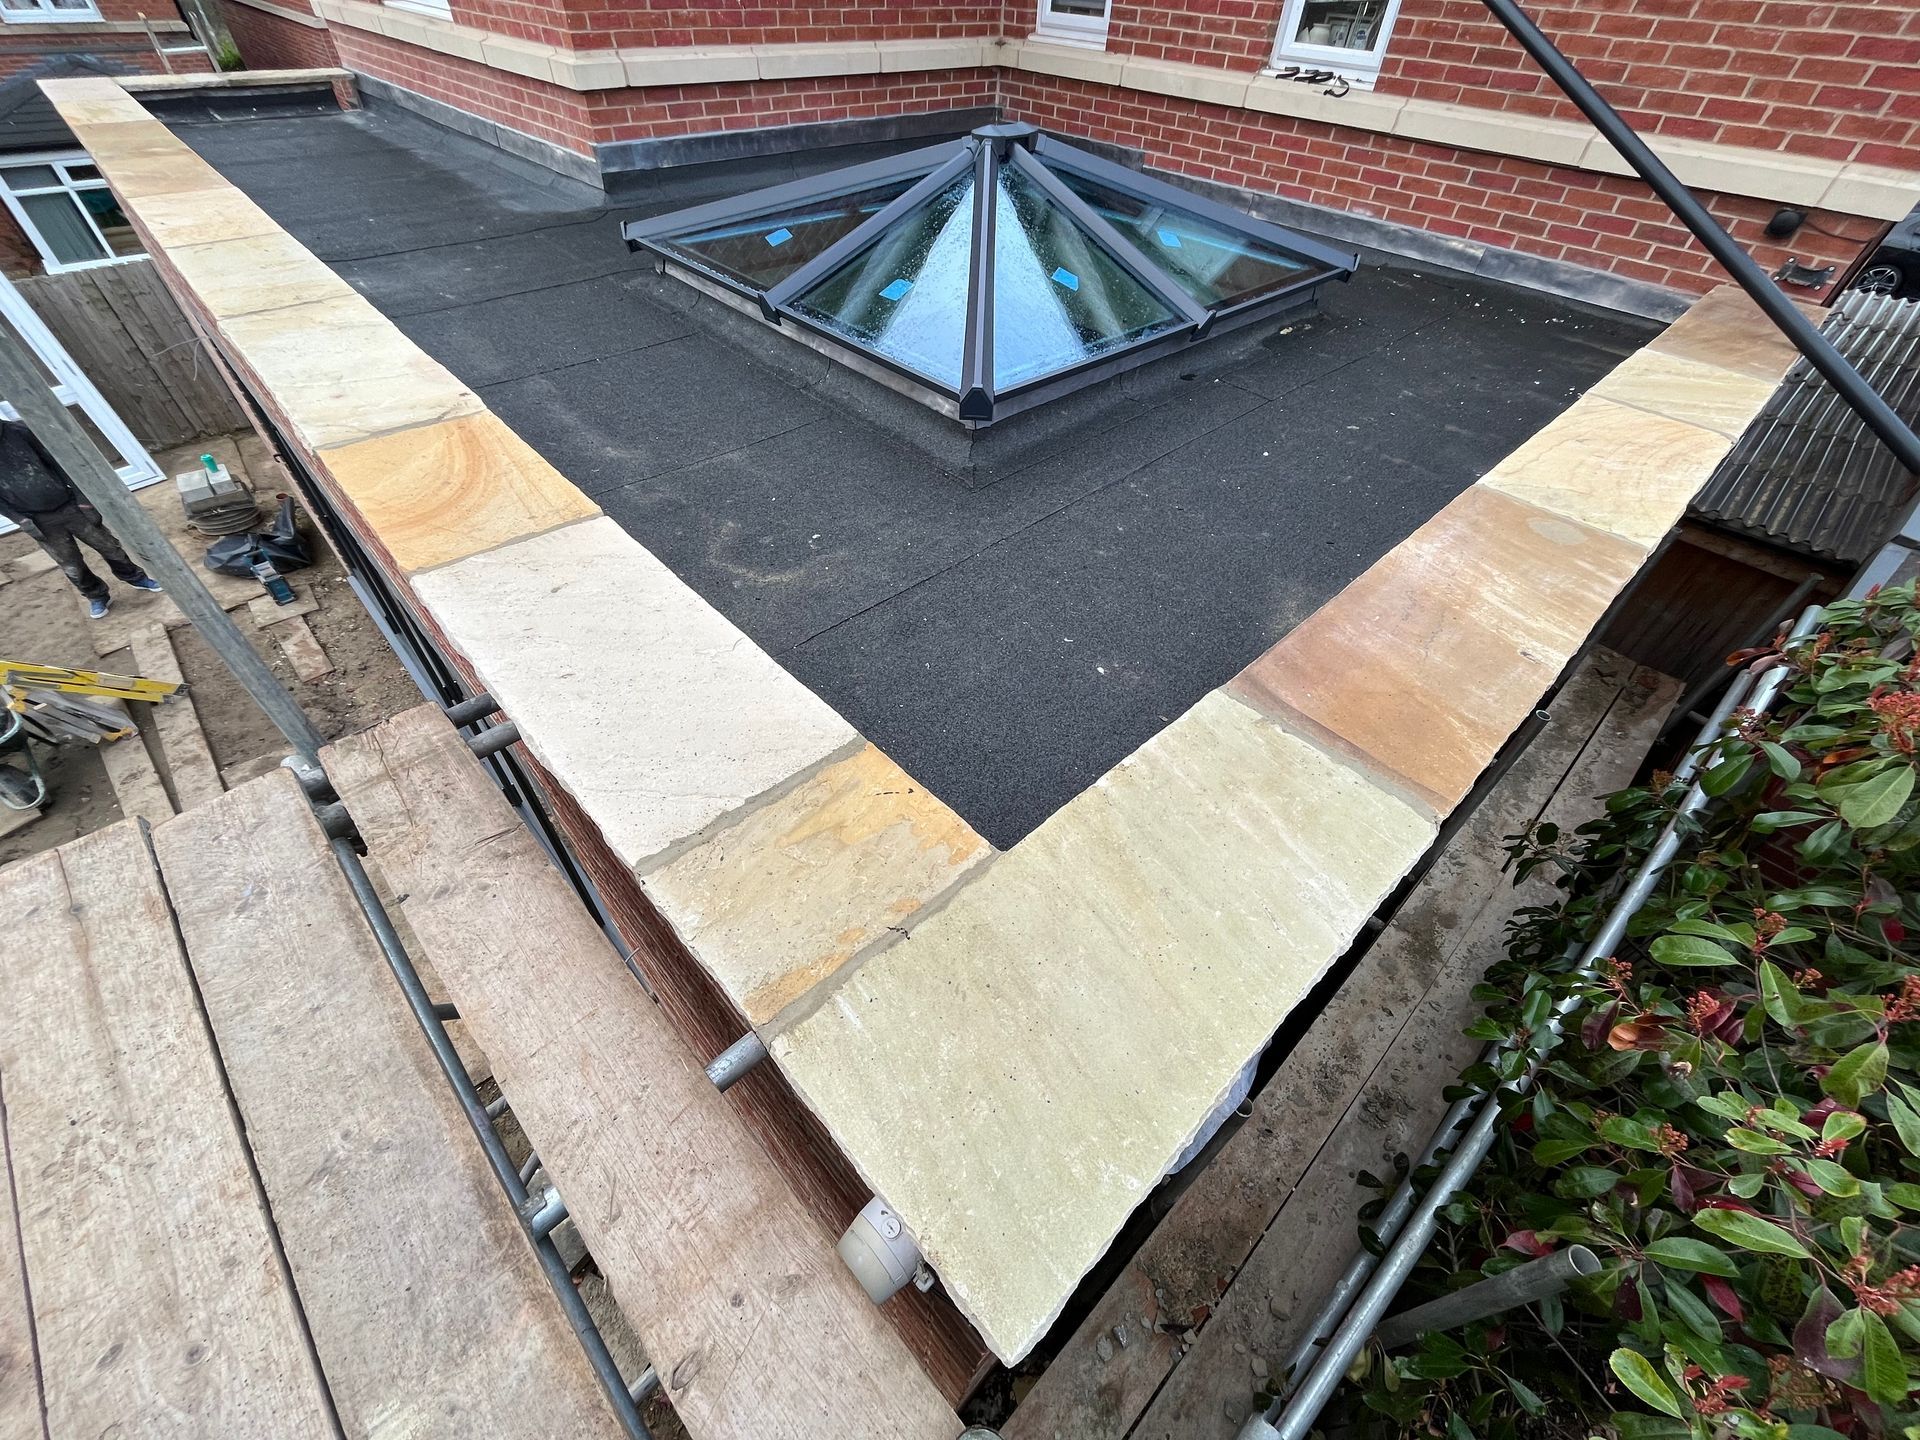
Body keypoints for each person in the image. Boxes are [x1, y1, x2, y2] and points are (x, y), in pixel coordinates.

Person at [0, 416, 160, 619]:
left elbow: (59, 463)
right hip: (38, 520)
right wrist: (19, 519)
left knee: (108, 546)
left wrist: (82, 498)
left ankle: (136, 578)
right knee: (70, 564)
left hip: (69, 505)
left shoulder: (19, 431)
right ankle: (96, 596)